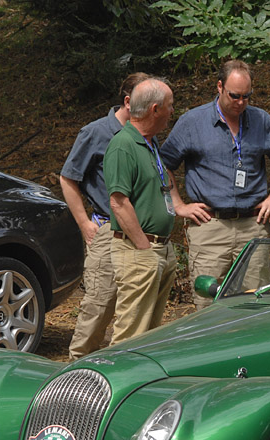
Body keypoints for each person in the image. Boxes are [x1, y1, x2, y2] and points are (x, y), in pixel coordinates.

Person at [161, 60, 270, 308]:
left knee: (255, 302)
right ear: (219, 87)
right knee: (207, 304)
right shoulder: (193, 122)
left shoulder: (261, 120)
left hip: (253, 226)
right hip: (210, 226)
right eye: (235, 96)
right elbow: (163, 164)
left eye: (247, 96)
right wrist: (178, 204)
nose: (241, 103)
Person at [60, 72, 149, 360]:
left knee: (132, 312)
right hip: (107, 232)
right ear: (127, 100)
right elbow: (68, 178)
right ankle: (74, 373)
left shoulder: (145, 133)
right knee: (98, 309)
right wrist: (85, 223)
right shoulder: (96, 132)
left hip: (139, 233)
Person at [103, 77, 185, 343]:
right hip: (139, 252)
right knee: (130, 336)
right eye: (170, 106)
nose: (173, 111)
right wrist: (145, 249)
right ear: (155, 109)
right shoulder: (122, 145)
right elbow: (119, 202)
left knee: (150, 336)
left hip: (159, 249)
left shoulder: (150, 141)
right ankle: (118, 382)